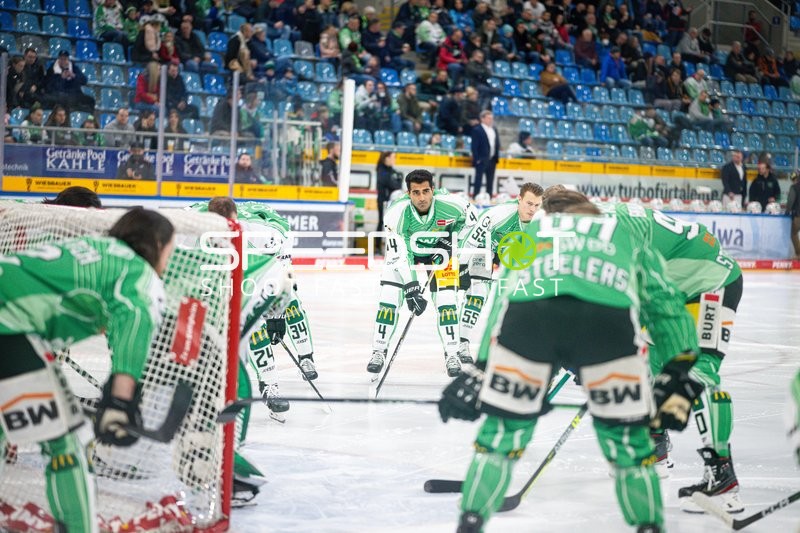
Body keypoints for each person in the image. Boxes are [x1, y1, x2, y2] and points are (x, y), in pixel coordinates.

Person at [439, 192, 703, 533]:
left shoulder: (534, 229)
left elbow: (502, 297)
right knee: (629, 444)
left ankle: (470, 521)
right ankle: (649, 527)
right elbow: (665, 304)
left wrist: (482, 367)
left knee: (501, 435)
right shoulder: (622, 230)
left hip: (530, 322)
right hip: (605, 324)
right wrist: (679, 367)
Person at [547, 190, 747, 511]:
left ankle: (722, 477)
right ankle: (656, 448)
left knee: (697, 373)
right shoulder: (599, 225)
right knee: (654, 366)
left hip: (709, 283)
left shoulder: (613, 231)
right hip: (672, 290)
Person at [0, 208, 176, 532]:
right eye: (170, 250)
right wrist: (120, 402)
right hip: (8, 325)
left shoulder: (96, 247)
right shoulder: (137, 271)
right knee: (67, 444)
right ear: (157, 244)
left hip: (10, 315)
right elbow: (135, 324)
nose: (169, 261)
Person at [368, 169, 477, 377]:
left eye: (426, 191)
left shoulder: (453, 204)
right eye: (416, 192)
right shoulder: (396, 213)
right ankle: (379, 350)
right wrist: (412, 287)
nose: (422, 197)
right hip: (406, 254)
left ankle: (452, 353)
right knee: (388, 299)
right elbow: (399, 255)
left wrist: (452, 241)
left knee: (447, 301)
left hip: (440, 252)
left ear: (433, 190)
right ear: (408, 193)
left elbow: (473, 221)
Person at [457, 182, 543, 362]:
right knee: (478, 294)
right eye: (529, 203)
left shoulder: (541, 220)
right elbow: (472, 241)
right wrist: (462, 268)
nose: (532, 209)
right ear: (519, 199)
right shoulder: (497, 215)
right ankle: (461, 342)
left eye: (537, 205)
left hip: (511, 252)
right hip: (483, 248)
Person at [376, 151, 404, 252]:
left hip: (393, 201)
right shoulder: (381, 170)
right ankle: (378, 247)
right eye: (393, 157)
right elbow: (391, 184)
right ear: (386, 158)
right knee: (382, 222)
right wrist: (395, 181)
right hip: (383, 201)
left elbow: (398, 184)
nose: (394, 160)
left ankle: (391, 247)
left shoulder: (392, 171)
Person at [470, 110, 500, 199]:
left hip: (492, 159)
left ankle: (489, 197)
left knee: (490, 180)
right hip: (481, 159)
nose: (491, 120)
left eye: (491, 118)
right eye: (488, 118)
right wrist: (476, 159)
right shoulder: (477, 130)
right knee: (478, 179)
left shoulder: (494, 129)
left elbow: (496, 143)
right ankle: (475, 197)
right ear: (482, 119)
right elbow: (474, 146)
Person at [787, 171, 800, 259]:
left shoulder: (794, 187)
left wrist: (787, 210)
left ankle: (799, 253)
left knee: (793, 234)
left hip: (798, 215)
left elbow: (791, 201)